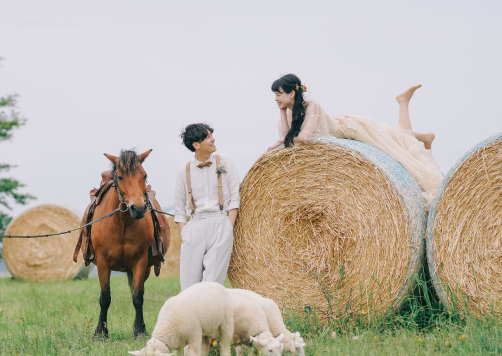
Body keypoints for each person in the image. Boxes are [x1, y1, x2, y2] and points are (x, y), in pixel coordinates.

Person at [267, 73, 443, 207]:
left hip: (346, 128)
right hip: (334, 133)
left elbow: (304, 137)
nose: (275, 98)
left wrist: (280, 142)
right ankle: (424, 137)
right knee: (390, 135)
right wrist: (282, 113)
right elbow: (285, 136)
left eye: (278, 94)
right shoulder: (289, 112)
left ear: (292, 94)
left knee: (395, 141)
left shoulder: (312, 106)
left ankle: (403, 102)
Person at [174, 123, 240, 290]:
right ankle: (189, 316)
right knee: (188, 286)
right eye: (208, 137)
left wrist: (228, 227)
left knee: (212, 284)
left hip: (220, 223)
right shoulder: (184, 170)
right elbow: (179, 208)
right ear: (196, 145)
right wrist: (185, 232)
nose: (213, 139)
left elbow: (234, 199)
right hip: (194, 226)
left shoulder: (226, 162)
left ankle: (210, 316)